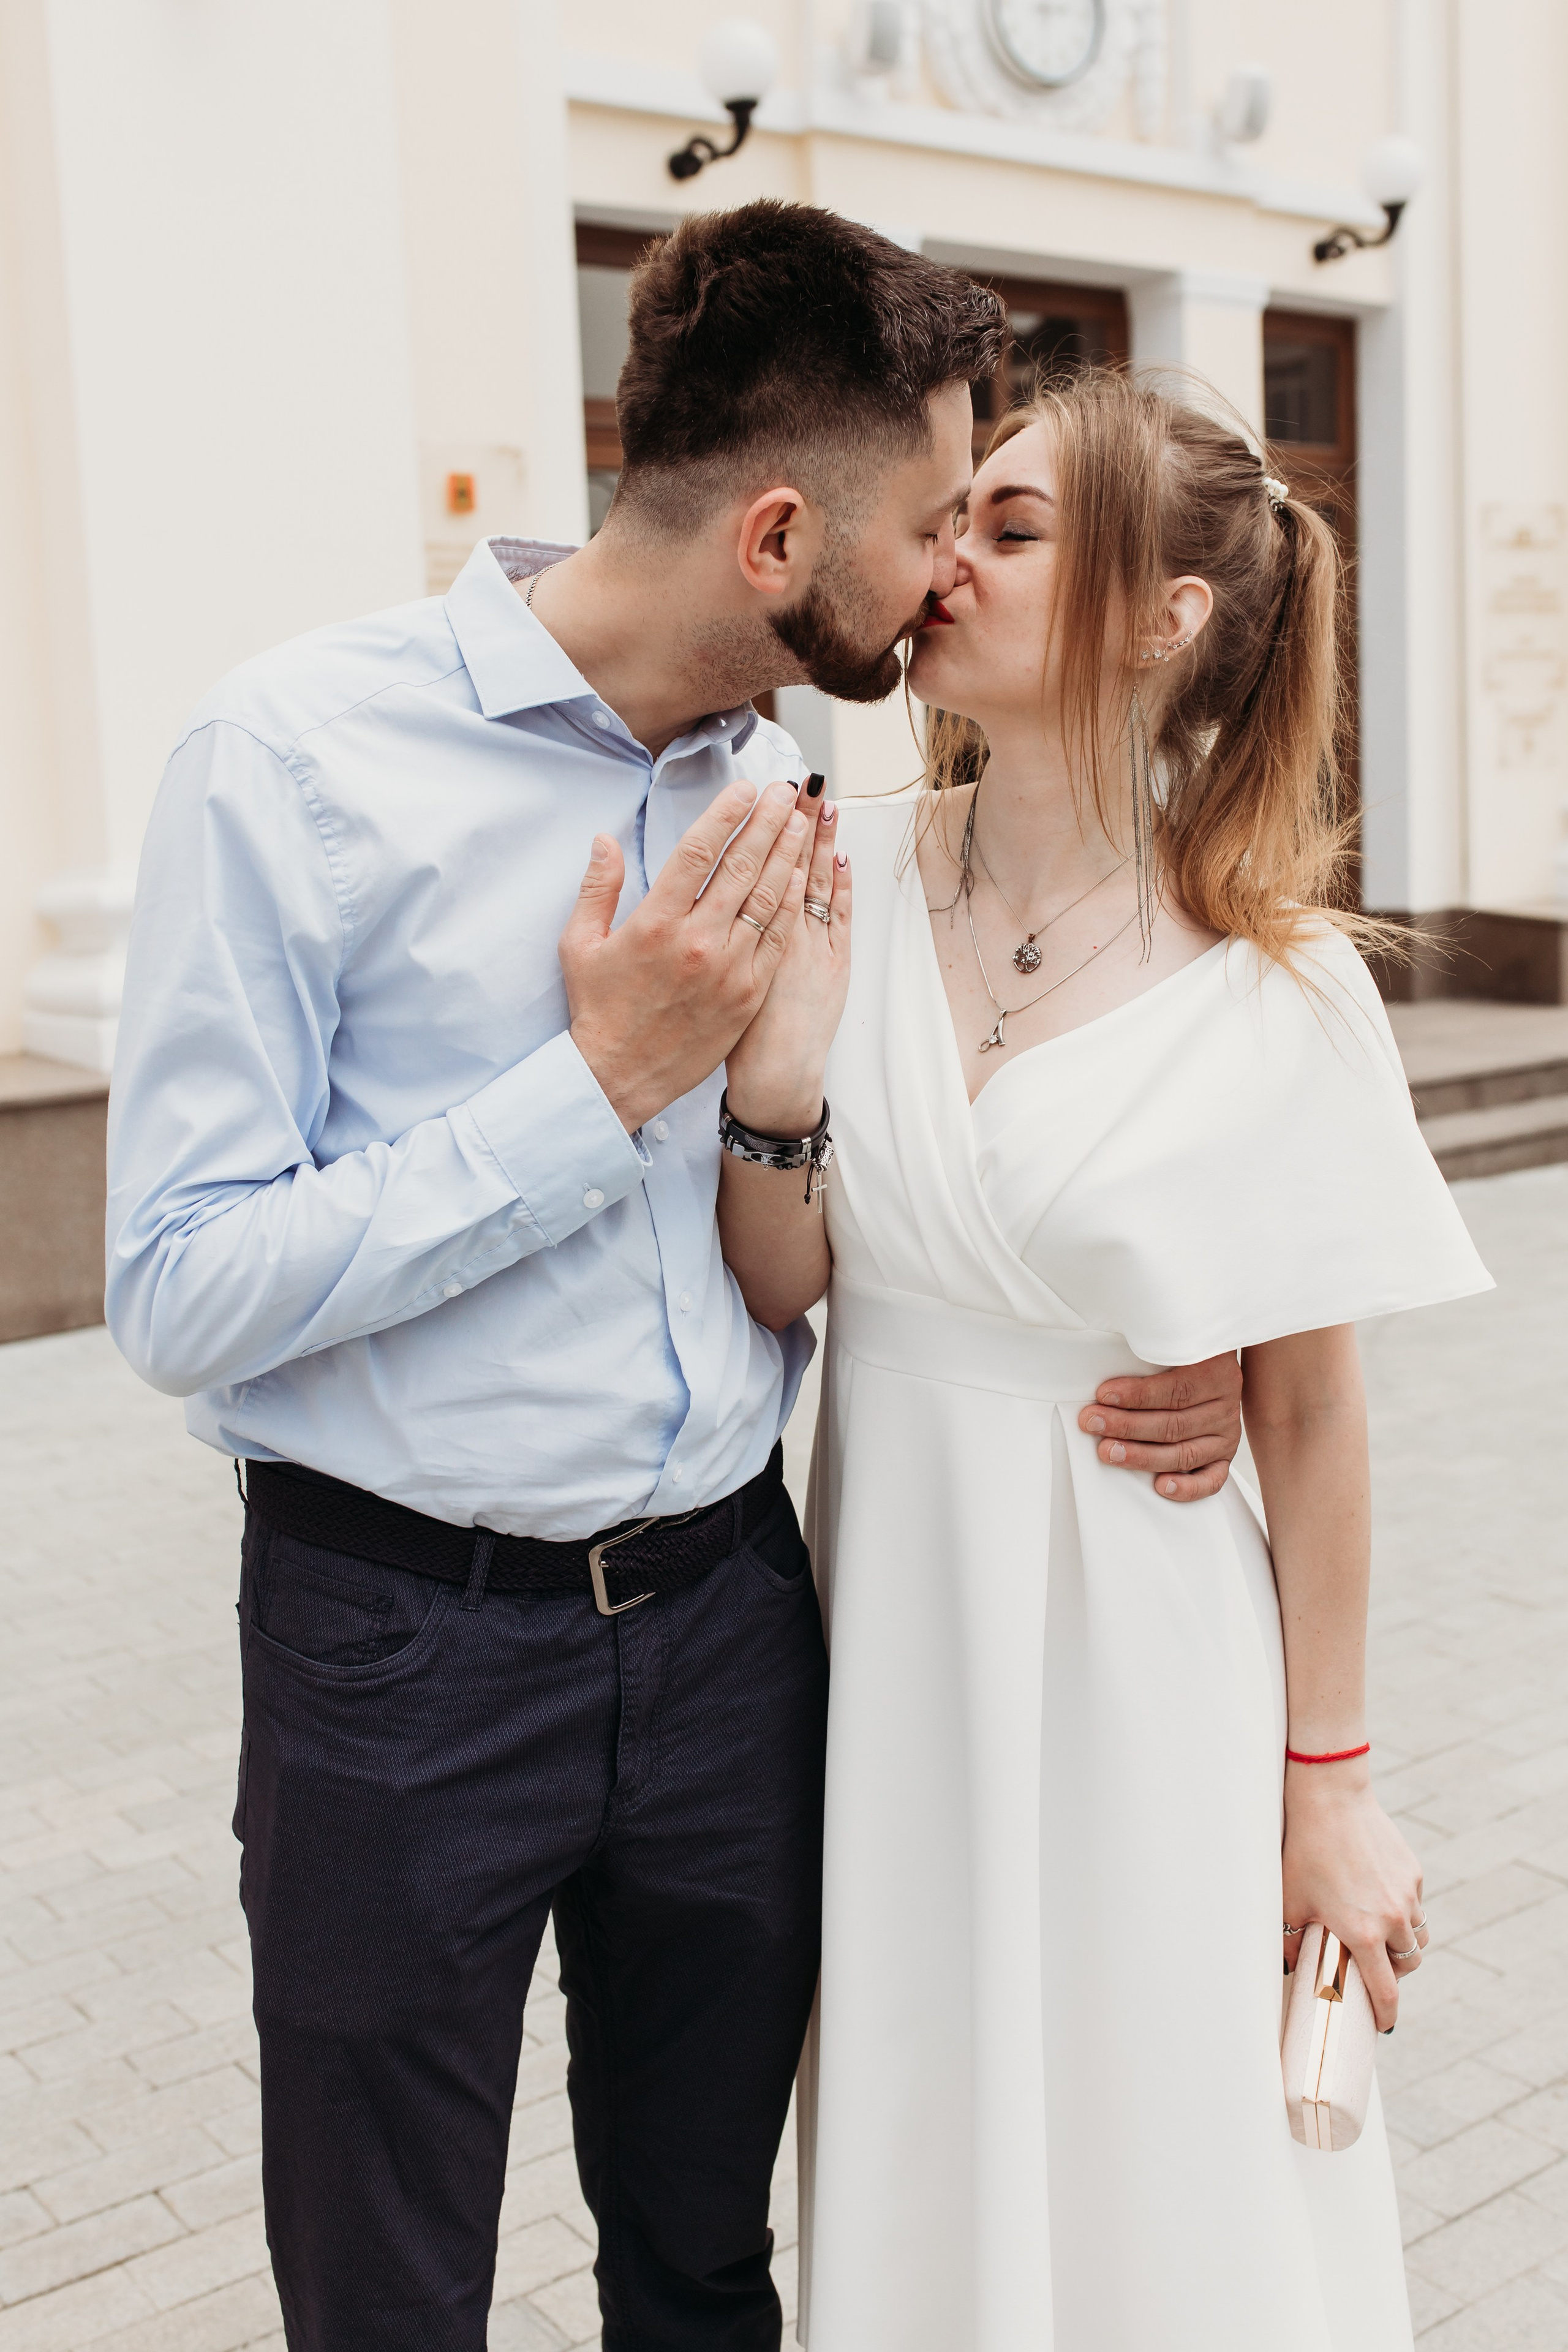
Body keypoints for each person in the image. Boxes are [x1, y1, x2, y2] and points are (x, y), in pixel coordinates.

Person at [104, 210, 1245, 2352]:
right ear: (781, 532)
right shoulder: (288, 763)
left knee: (709, 2272)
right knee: (387, 2297)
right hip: (395, 1658)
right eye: (934, 523)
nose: (949, 583)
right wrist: (590, 1085)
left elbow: (940, 1151)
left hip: (734, 1632)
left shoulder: (797, 777)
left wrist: (1179, 1361)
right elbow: (172, 1288)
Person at [717, 368, 1493, 2350]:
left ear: (1167, 619)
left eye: (1016, 526)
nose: (947, 558)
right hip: (891, 1660)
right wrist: (782, 1088)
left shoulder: (1280, 984)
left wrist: (1328, 1788)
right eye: (958, 515)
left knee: (1159, 2174)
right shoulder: (849, 869)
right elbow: (785, 1285)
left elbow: (1315, 1416)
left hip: (1152, 1676)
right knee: (925, 2135)